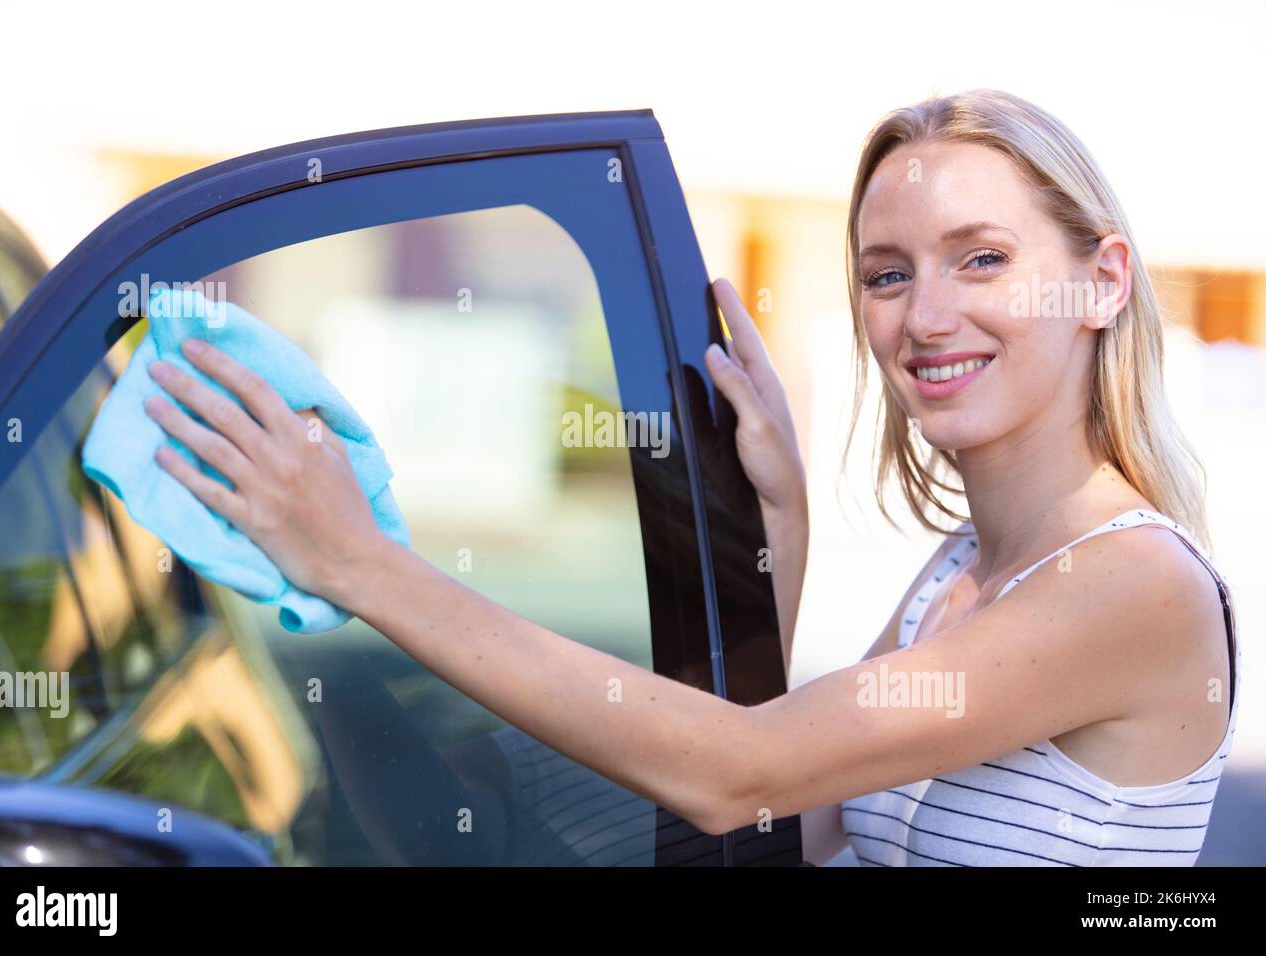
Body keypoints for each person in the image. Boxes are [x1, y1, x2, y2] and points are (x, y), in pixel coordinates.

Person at [139, 89, 1239, 866]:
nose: (927, 313)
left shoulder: (1130, 588)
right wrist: (780, 535)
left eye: (982, 257)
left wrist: (363, 563)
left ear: (1099, 283)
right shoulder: (961, 571)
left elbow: (739, 773)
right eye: (887, 274)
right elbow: (783, 821)